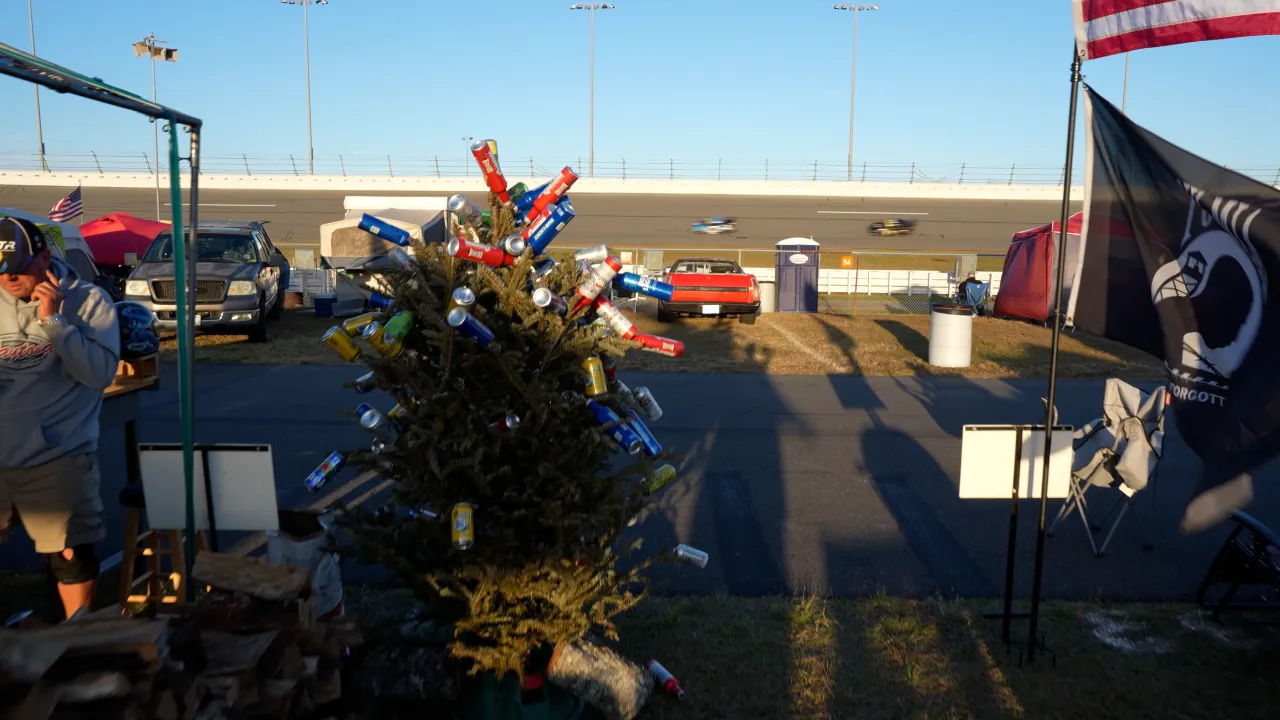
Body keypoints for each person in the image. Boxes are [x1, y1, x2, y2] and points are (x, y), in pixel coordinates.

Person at [0, 216, 120, 618]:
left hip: (57, 454)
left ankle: (77, 642)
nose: (9, 278)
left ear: (45, 257)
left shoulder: (88, 302)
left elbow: (99, 374)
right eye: (1, 271)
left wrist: (55, 323)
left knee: (70, 554)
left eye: (18, 267)